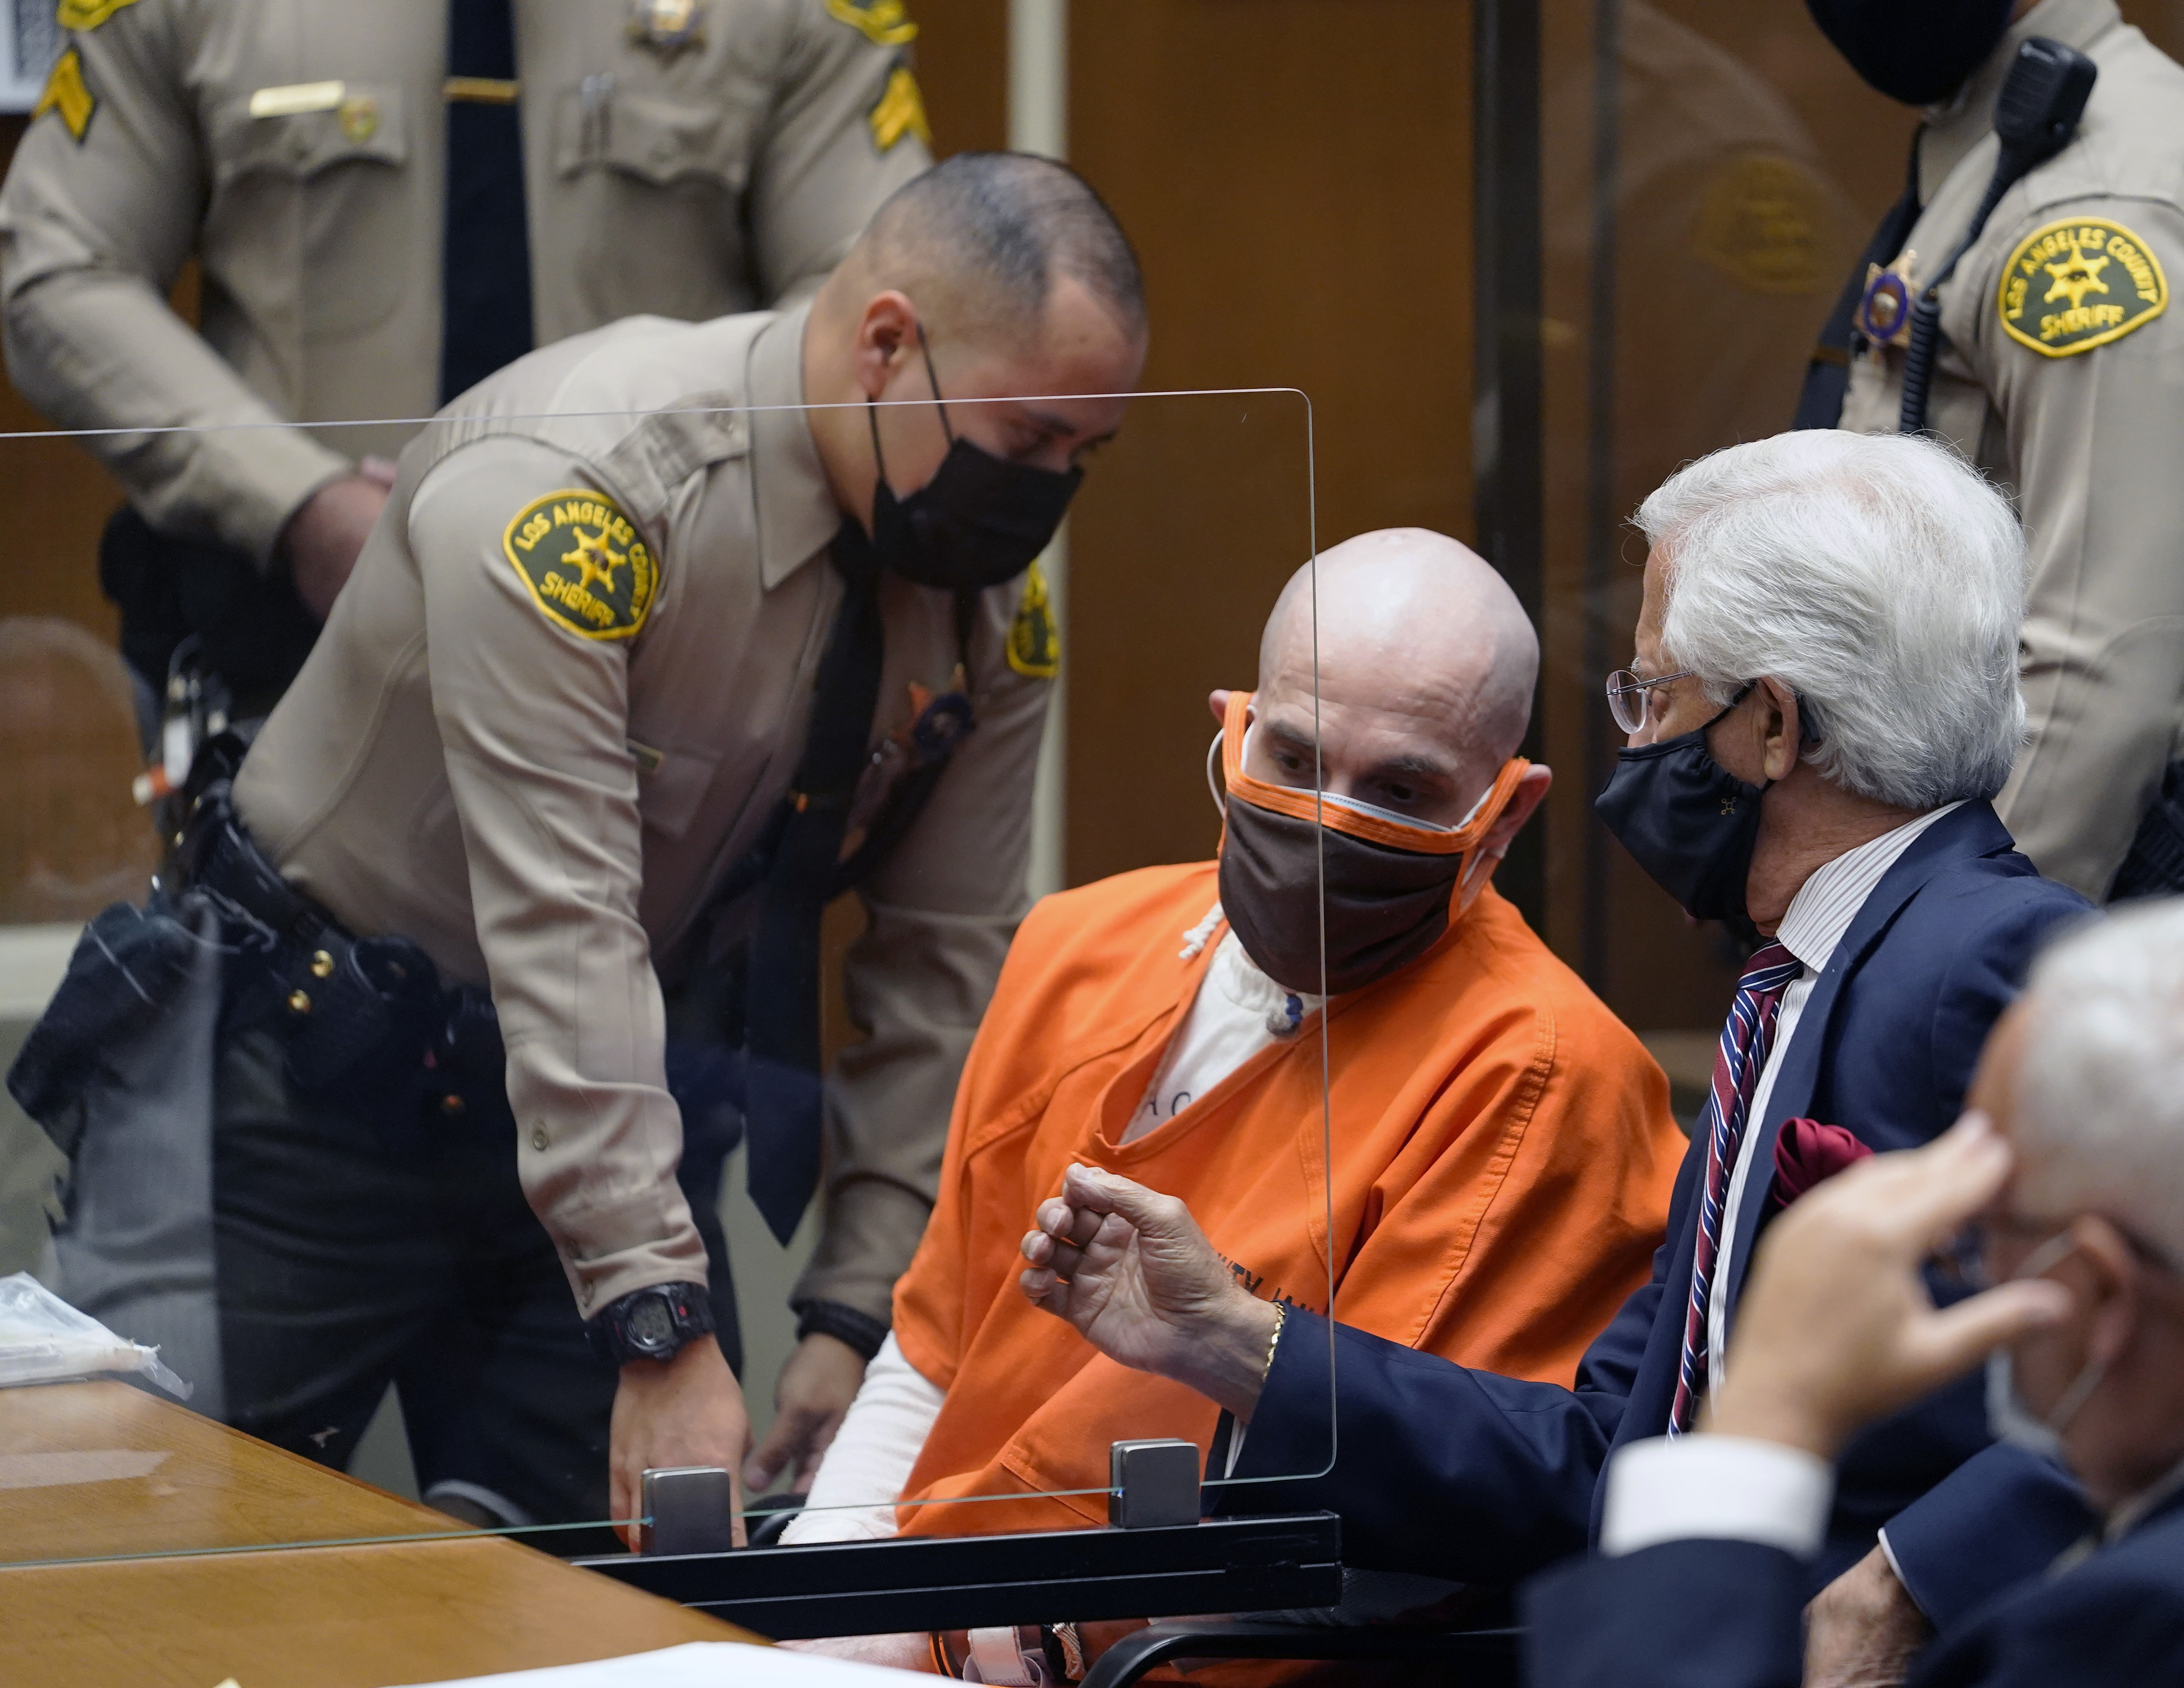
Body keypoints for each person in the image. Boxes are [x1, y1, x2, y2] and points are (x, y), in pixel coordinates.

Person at [7, 152, 1145, 1540]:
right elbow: (565, 921)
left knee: (642, 1599)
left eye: (1090, 456)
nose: (1050, 494)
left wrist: (864, 1314)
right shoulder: (585, 487)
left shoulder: (983, 607)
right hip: (304, 1094)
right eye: (1028, 439)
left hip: (604, 1115)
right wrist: (657, 1316)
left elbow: (945, 964)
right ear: (886, 343)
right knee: (128, 1561)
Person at [1016, 431, 2091, 1592]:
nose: (1633, 742)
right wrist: (1227, 1338)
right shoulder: (1797, 983)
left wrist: (1907, 1585)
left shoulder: (1991, 952)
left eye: (1652, 694)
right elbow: (1608, 1461)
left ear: (1773, 727)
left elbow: (2181, 1356)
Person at [779, 529, 1680, 1673]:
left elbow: (1420, 1524)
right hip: (916, 1608)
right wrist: (811, 1607)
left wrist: (1025, 1646)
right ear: (1233, 729)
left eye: (1401, 790)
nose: (1328, 820)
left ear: (1504, 814)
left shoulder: (1542, 1072)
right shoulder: (1076, 945)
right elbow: (936, 1351)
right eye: (1294, 759)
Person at [1524, 898, 2184, 1687]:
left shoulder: (2158, 1639)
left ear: (2091, 1294)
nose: (1972, 1268)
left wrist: (1760, 1428)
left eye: (1981, 1243)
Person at [0, 0, 933, 730]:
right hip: (293, 671)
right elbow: (59, 271)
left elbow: (873, 303)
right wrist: (297, 504)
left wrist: (699, 512)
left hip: (658, 687)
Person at [1794, 0, 2184, 904]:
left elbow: (2095, 684)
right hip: (1976, 872)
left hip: (2073, 899)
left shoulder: (2097, 213)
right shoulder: (1995, 147)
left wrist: (1925, 962)